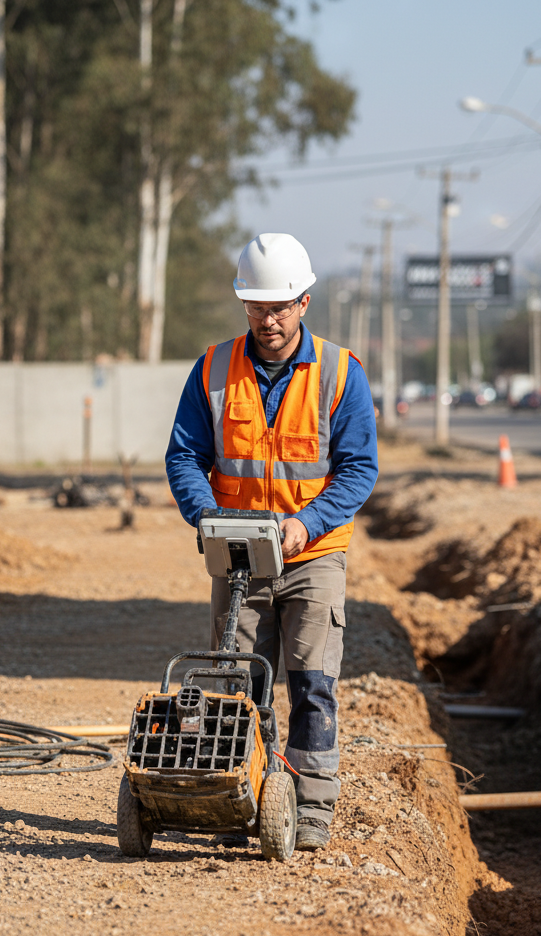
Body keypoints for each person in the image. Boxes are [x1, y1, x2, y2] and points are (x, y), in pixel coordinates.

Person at [165, 232, 378, 851]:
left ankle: (311, 806)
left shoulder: (341, 373)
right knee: (236, 681)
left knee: (312, 681)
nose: (269, 319)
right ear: (245, 306)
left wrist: (306, 522)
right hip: (239, 558)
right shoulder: (212, 368)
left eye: (281, 306)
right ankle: (240, 794)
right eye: (258, 307)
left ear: (304, 303)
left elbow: (359, 468)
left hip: (313, 555)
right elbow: (184, 455)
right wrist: (207, 515)